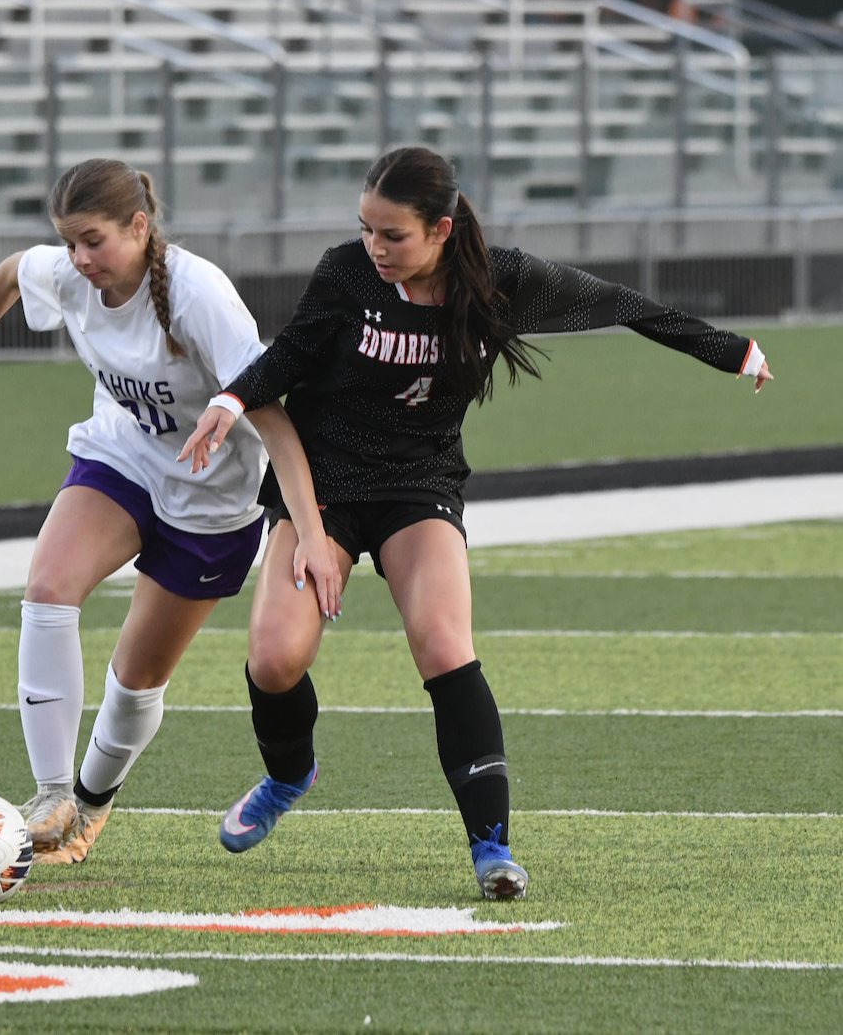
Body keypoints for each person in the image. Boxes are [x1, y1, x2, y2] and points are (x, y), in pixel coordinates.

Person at [180, 145, 773, 902]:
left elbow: (618, 301)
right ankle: (290, 773)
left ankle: (492, 847)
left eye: (393, 234)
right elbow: (287, 360)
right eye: (367, 229)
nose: (376, 247)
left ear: (443, 229)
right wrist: (230, 402)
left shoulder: (500, 281)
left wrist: (732, 352)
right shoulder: (346, 274)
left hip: (419, 480)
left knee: (444, 644)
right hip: (323, 486)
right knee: (274, 660)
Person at [0, 158, 341, 866]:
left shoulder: (197, 295)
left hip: (213, 500)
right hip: (120, 458)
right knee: (48, 589)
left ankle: (92, 800)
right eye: (69, 243)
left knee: (135, 679)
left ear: (140, 227)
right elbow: (8, 273)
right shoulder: (65, 274)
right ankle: (51, 791)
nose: (79, 259)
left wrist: (310, 532)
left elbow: (272, 415)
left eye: (93, 240)